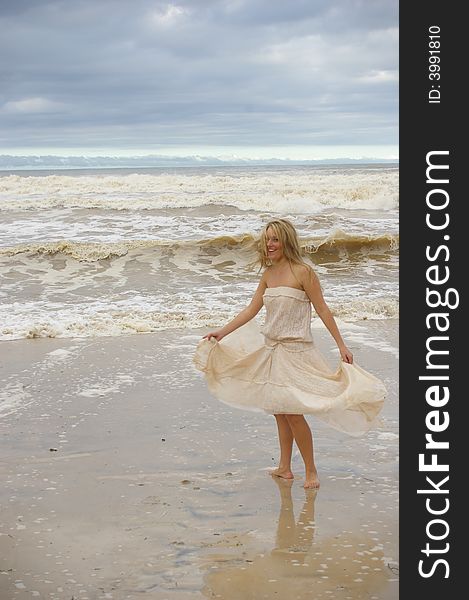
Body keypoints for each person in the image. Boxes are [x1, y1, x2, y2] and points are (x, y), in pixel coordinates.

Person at [193, 219, 386, 490]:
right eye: (266, 239)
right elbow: (251, 310)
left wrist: (342, 345)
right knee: (280, 412)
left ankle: (311, 471)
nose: (269, 244)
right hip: (272, 351)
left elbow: (322, 310)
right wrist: (222, 333)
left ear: (286, 241)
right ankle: (285, 468)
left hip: (297, 353)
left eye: (274, 239)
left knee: (294, 413)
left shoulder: (303, 272)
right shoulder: (268, 274)